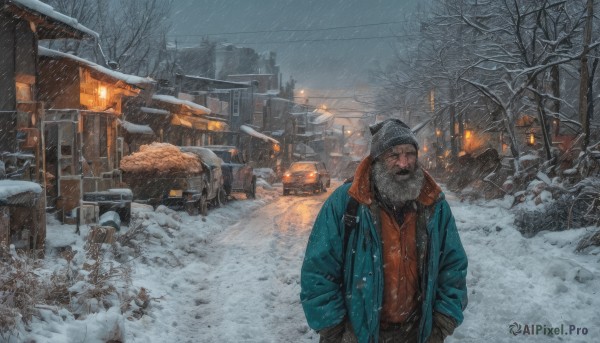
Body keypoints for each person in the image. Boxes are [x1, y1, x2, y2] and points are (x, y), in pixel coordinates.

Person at [300, 118, 468, 343]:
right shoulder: (346, 203)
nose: (404, 163)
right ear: (377, 160)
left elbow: (453, 267)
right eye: (394, 155)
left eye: (410, 154)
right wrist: (334, 330)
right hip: (357, 334)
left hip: (418, 333)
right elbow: (318, 272)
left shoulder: (433, 204)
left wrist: (441, 324)